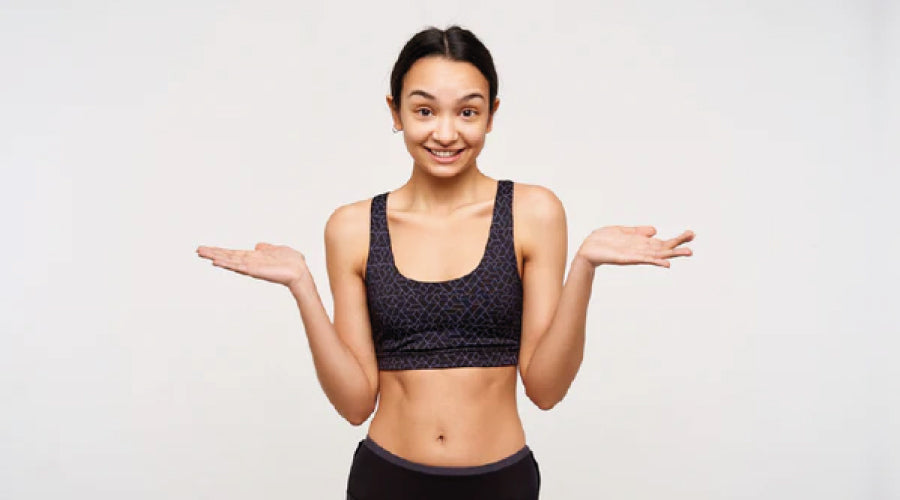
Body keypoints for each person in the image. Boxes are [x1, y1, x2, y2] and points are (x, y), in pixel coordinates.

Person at [196, 25, 694, 499]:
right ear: (396, 113)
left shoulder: (533, 212)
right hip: (386, 479)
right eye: (425, 111)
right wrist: (301, 285)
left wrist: (584, 268)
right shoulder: (351, 227)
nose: (446, 133)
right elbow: (354, 403)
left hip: (501, 482)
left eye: (468, 112)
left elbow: (545, 389)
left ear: (492, 115)